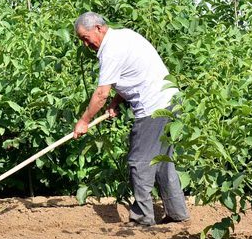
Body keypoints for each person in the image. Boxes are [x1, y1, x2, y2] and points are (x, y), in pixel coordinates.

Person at [72, 12, 189, 227]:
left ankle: (142, 219)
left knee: (139, 162)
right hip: (170, 102)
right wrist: (117, 103)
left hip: (153, 107)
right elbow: (133, 76)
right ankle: (177, 214)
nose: (85, 44)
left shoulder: (111, 50)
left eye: (85, 38)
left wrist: (84, 121)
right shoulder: (124, 37)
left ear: (98, 28)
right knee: (163, 162)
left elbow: (101, 94)